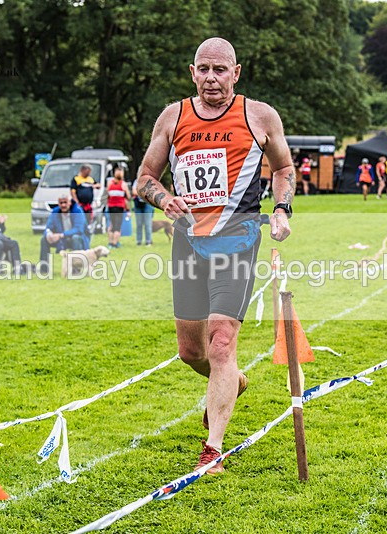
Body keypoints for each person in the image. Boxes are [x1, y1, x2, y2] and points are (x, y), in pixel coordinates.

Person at [135, 37, 292, 475]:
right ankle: (233, 383)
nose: (211, 78)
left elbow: (283, 168)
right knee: (192, 351)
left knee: (222, 342)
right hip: (188, 241)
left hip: (239, 239)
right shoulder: (173, 117)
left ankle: (212, 450)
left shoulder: (260, 116)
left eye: (220, 69)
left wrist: (281, 209)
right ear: (192, 72)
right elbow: (144, 177)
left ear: (235, 74)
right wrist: (163, 197)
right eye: (203, 69)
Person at [39, 195, 89, 274]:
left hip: (77, 238)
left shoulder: (77, 211)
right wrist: (49, 234)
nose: (63, 205)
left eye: (65, 202)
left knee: (75, 238)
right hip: (61, 240)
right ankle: (44, 269)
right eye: (61, 203)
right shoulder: (55, 212)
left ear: (70, 203)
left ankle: (76, 269)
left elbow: (79, 229)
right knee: (44, 239)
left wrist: (61, 235)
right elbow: (48, 227)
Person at [106, 165, 131, 248]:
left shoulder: (110, 183)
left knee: (112, 224)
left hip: (111, 207)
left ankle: (110, 243)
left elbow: (107, 195)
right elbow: (128, 196)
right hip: (120, 207)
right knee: (118, 225)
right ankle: (115, 243)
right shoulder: (123, 184)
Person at [132, 177, 154, 246]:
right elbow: (134, 192)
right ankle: (139, 241)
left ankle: (148, 241)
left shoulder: (151, 181)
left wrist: (139, 193)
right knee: (139, 224)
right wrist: (143, 193)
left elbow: (151, 193)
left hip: (148, 204)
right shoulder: (136, 181)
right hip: (138, 204)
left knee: (148, 224)